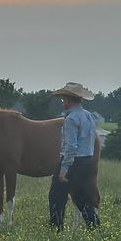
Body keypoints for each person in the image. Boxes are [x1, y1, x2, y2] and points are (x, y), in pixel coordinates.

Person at [49, 82, 100, 230]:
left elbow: (71, 146)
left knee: (56, 197)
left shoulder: (71, 119)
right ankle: (95, 226)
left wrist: (64, 169)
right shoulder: (89, 116)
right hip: (87, 161)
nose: (63, 102)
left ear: (69, 100)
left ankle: (55, 229)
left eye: (63, 99)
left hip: (72, 162)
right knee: (82, 198)